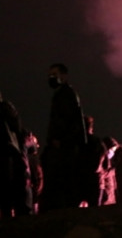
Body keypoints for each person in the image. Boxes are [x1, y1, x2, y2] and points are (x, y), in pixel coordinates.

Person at [39, 63, 87, 212]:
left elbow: (67, 122)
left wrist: (60, 141)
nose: (51, 78)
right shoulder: (65, 94)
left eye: (54, 74)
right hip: (66, 146)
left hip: (64, 148)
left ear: (64, 76)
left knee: (62, 183)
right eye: (49, 75)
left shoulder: (65, 95)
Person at [79, 115, 106, 207]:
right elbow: (103, 162)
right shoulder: (96, 141)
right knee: (94, 209)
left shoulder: (73, 142)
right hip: (94, 179)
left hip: (78, 179)